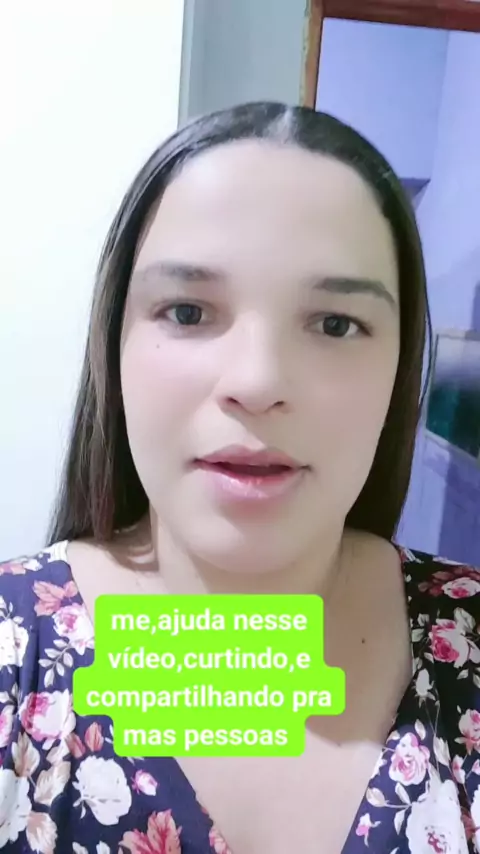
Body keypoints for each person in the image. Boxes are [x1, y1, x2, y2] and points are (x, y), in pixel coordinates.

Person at [0, 101, 478, 854]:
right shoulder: (13, 649)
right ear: (113, 345)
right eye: (188, 311)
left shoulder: (468, 639)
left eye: (335, 324)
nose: (257, 383)